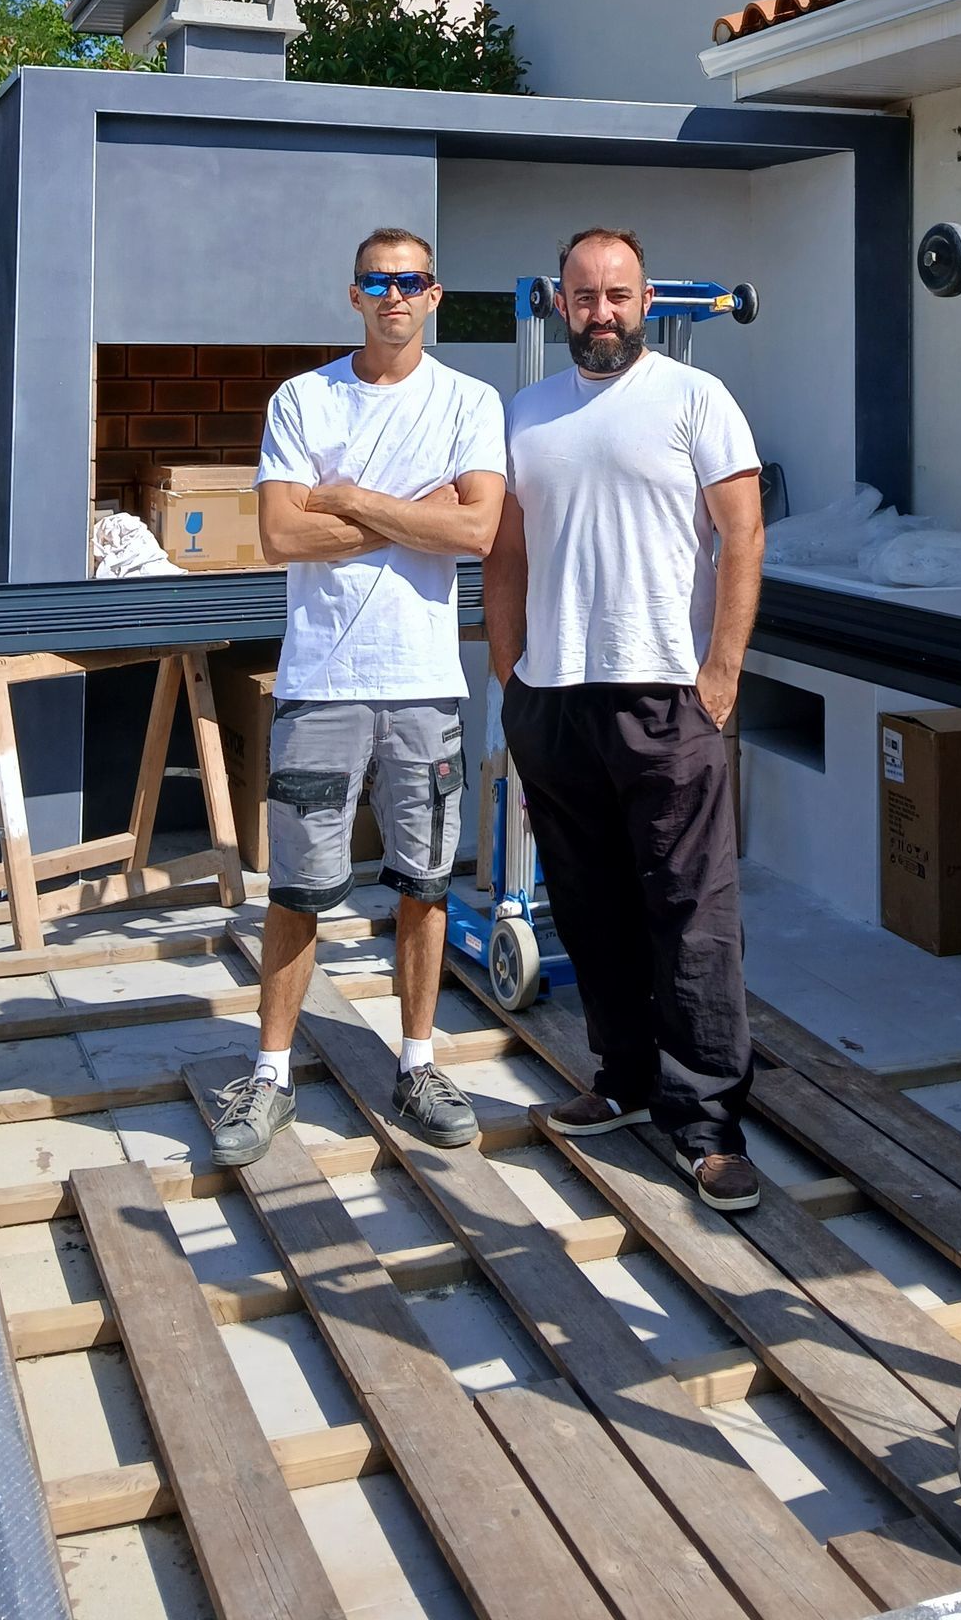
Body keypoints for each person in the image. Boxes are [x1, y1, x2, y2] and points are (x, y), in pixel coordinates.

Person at [209, 228, 506, 1167]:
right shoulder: (302, 398)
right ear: (354, 296)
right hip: (323, 681)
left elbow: (480, 531)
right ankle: (269, 1077)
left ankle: (416, 1064)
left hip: (424, 684)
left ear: (434, 294)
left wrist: (349, 499)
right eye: (378, 282)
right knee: (298, 889)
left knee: (423, 885)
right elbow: (280, 538)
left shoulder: (470, 399)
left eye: (410, 281)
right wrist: (413, 515)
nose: (394, 295)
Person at [485, 226, 766, 1210]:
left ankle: (707, 1123)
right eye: (584, 295)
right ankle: (623, 1078)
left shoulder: (696, 400)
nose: (601, 312)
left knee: (690, 915)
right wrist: (506, 663)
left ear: (645, 301)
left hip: (667, 695)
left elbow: (743, 534)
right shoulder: (525, 414)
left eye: (618, 294)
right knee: (589, 903)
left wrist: (721, 672)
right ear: (560, 303)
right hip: (554, 697)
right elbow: (508, 549)